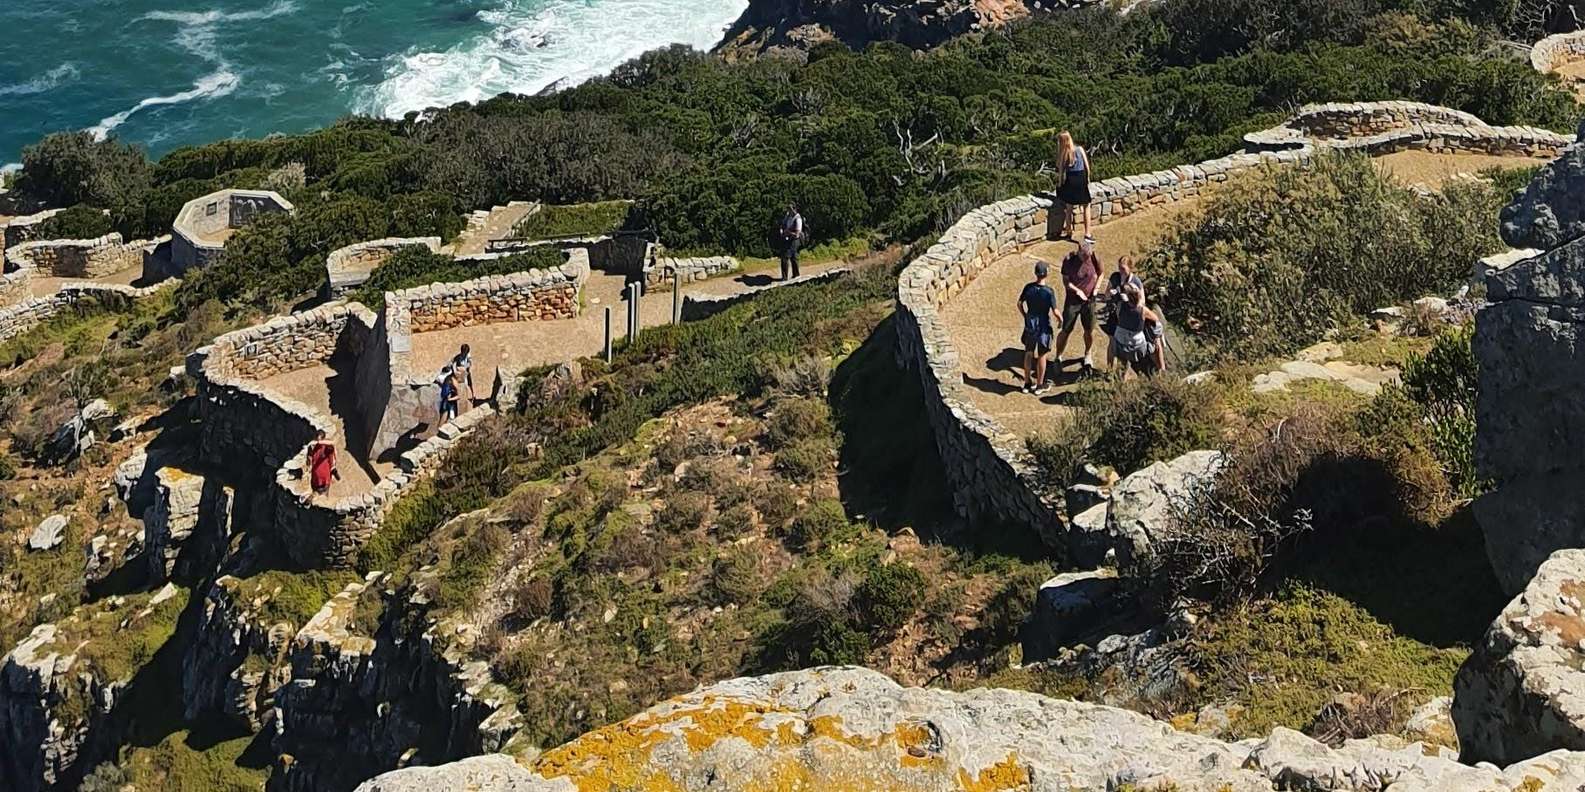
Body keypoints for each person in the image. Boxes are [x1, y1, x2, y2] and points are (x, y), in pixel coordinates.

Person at [1052, 236, 1103, 371]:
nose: (1087, 258)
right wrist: (1077, 291)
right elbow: (1066, 281)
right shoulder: (1069, 261)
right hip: (1073, 301)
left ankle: (1087, 354)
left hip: (1089, 301)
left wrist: (1096, 289)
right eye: (1085, 256)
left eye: (1089, 255)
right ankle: (1058, 356)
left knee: (1089, 330)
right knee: (1066, 329)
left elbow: (1101, 274)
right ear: (1079, 251)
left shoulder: (1094, 258)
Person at [1017, 260, 1059, 394]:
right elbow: (1055, 311)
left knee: (1028, 353)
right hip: (1043, 325)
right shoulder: (1049, 292)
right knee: (1042, 355)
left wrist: (1025, 315)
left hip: (1031, 322)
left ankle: (1027, 382)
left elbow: (1019, 303)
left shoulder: (1028, 287)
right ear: (1046, 274)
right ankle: (1040, 385)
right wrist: (1061, 320)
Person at [1110, 283, 1167, 378]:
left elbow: (1118, 316)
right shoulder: (1143, 311)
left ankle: (1120, 381)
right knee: (1156, 342)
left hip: (1120, 345)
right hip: (1136, 348)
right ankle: (1162, 369)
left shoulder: (1120, 306)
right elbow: (1156, 319)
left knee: (1122, 364)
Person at [1101, 255, 1144, 369]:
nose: (1121, 271)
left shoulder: (1136, 282)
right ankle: (1109, 369)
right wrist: (1111, 292)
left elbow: (1141, 303)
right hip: (1114, 314)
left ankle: (1121, 373)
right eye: (1119, 267)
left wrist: (1129, 299)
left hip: (1127, 317)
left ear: (1130, 268)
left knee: (1123, 346)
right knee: (1112, 342)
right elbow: (1106, 295)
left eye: (1123, 269)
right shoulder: (1115, 277)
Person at [1056, 131, 1092, 240]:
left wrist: (1060, 184)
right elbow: (1087, 166)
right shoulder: (1079, 149)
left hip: (1070, 179)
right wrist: (1088, 178)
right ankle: (1087, 234)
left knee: (1069, 208)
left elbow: (1061, 172)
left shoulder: (1063, 154)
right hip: (1081, 178)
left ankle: (1068, 231)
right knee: (1086, 206)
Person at [306, 430, 338, 496]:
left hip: (318, 476)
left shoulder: (316, 446)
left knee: (317, 491)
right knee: (323, 492)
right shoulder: (327, 447)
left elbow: (308, 460)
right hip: (323, 476)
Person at [778, 203, 804, 281]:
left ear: (794, 209)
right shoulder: (788, 216)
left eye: (790, 209)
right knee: (794, 257)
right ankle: (796, 275)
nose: (788, 210)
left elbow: (797, 234)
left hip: (794, 240)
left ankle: (785, 278)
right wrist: (782, 230)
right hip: (788, 239)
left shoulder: (798, 219)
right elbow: (783, 224)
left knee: (785, 257)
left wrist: (788, 232)